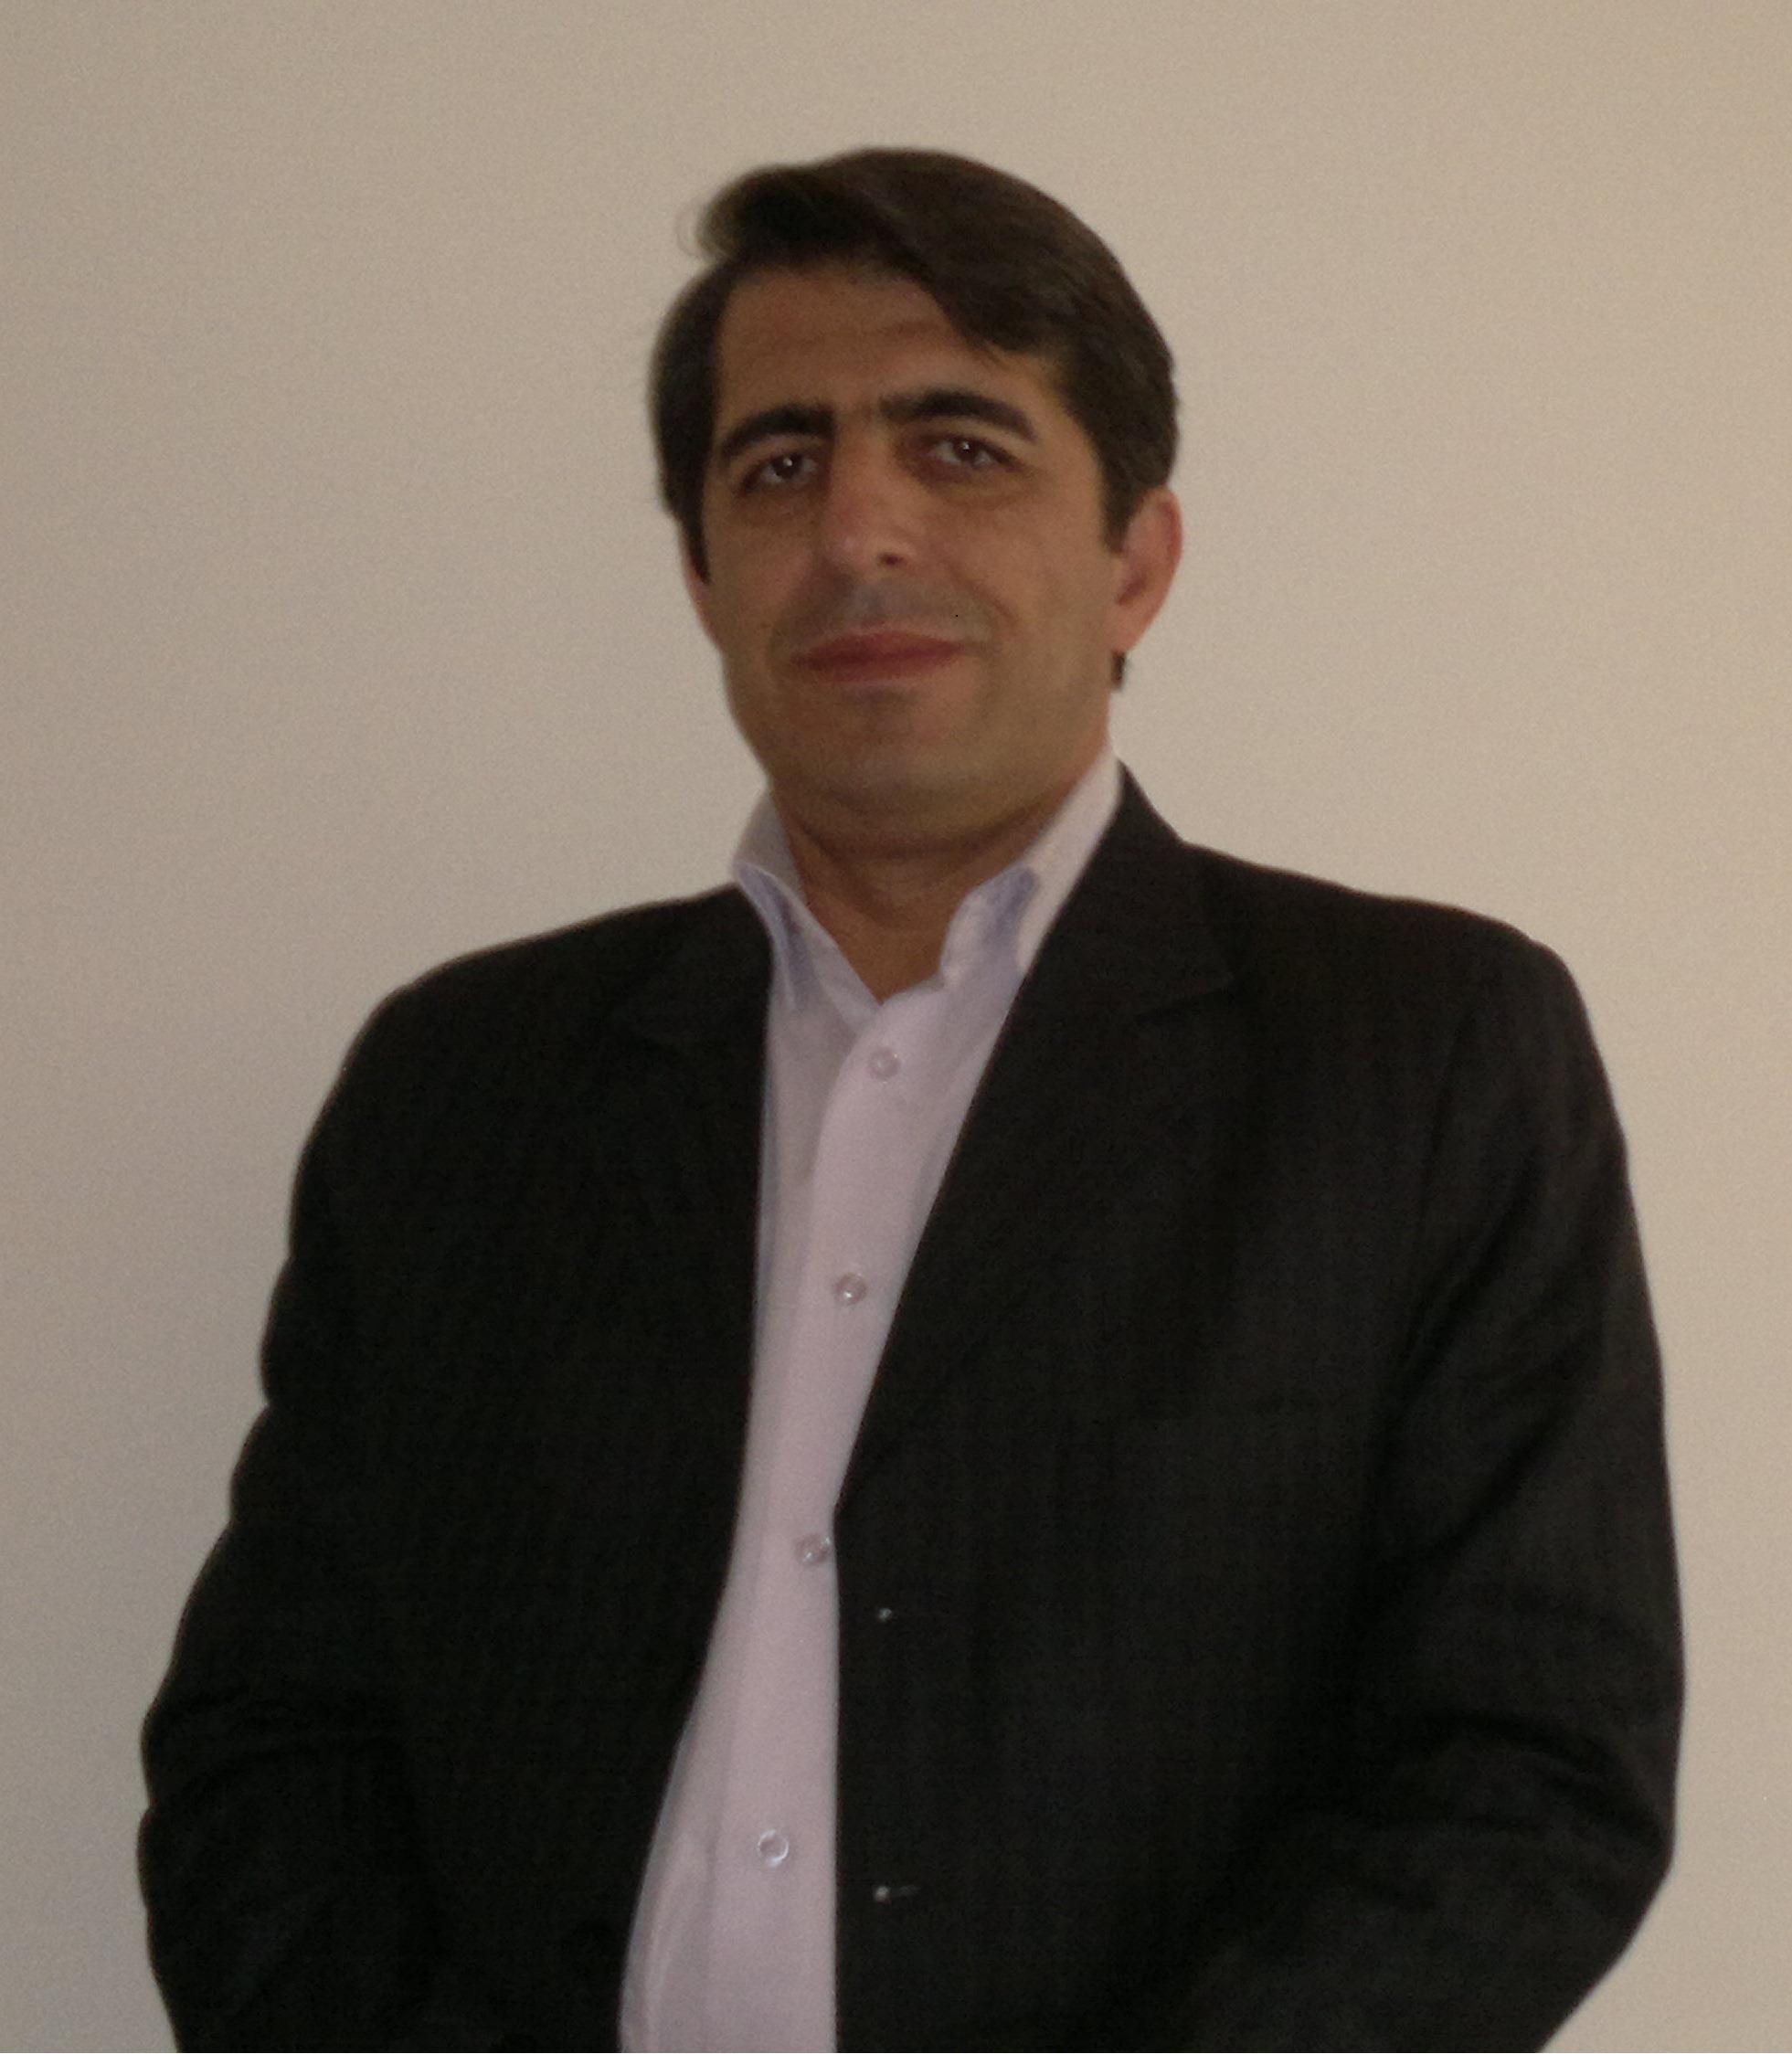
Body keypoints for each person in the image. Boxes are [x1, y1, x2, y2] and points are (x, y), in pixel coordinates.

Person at [140, 149, 1681, 2052]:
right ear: (703, 577)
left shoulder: (1420, 1053)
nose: (859, 528)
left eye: (960, 448)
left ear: (1135, 562)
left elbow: (1527, 1765)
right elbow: (276, 1744)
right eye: (778, 466)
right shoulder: (463, 1084)